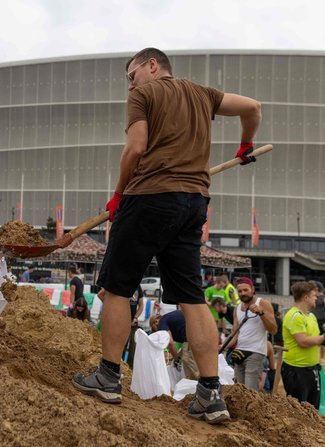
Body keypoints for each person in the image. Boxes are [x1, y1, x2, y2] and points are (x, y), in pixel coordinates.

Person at [72, 47, 262, 424]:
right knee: (192, 298)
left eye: (131, 75)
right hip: (193, 202)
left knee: (117, 287)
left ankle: (108, 376)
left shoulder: (144, 95)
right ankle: (210, 391)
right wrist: (245, 144)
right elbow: (253, 107)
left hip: (149, 197)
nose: (130, 85)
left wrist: (118, 195)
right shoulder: (203, 94)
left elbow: (136, 148)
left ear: (152, 66)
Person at [281, 281, 325, 409]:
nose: (317, 298)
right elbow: (303, 341)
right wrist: (323, 337)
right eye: (314, 296)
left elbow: (314, 338)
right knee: (298, 409)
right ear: (306, 298)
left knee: (313, 408)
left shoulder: (311, 316)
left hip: (311, 368)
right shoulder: (295, 316)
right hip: (296, 370)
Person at [229, 277, 277, 391]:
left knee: (250, 391)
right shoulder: (237, 309)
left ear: (252, 289)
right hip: (239, 352)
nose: (243, 293)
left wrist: (261, 313)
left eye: (245, 290)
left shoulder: (263, 303)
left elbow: (273, 330)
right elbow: (235, 334)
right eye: (240, 291)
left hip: (256, 352)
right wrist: (222, 347)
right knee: (239, 392)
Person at [149, 311, 199, 380]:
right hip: (198, 332)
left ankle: (202, 385)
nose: (156, 331)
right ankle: (193, 386)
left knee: (189, 362)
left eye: (153, 328)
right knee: (190, 365)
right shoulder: (171, 320)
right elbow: (185, 346)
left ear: (155, 322)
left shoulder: (162, 322)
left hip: (193, 336)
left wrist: (176, 360)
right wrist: (178, 356)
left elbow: (170, 343)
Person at [310, 281, 325, 360]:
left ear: (317, 288)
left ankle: (322, 358)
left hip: (321, 322)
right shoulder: (311, 297)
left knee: (323, 341)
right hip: (312, 321)